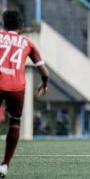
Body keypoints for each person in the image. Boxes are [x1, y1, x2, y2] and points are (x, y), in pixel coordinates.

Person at [0, 10, 49, 178]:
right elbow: (44, 72)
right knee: (15, 122)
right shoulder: (28, 43)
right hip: (16, 87)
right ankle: (5, 165)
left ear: (2, 24)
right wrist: (44, 84)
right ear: (21, 27)